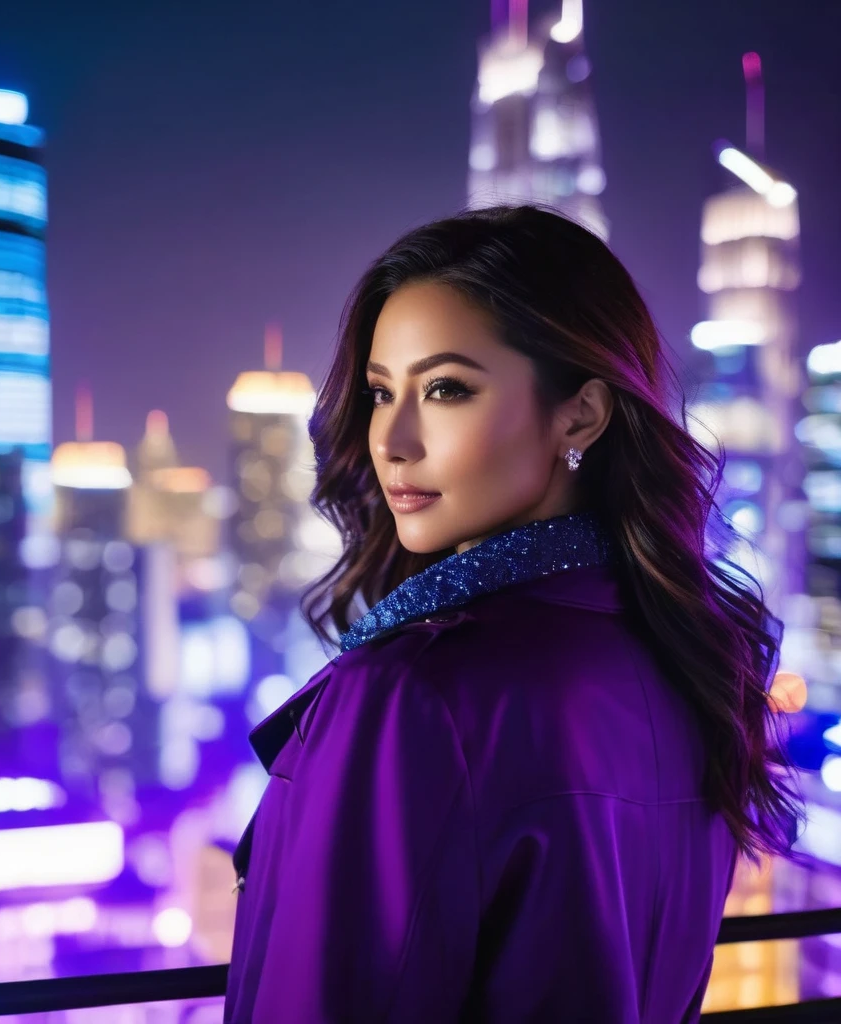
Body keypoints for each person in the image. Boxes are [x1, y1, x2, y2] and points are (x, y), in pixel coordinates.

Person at [223, 205, 802, 1023]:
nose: (392, 439)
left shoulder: (412, 692)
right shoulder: (688, 658)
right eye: (382, 392)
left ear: (582, 415)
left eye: (447, 389)